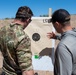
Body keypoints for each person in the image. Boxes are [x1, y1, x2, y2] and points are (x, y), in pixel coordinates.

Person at [0, 6, 34, 75]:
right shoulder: (23, 38)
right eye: (30, 21)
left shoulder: (2, 30)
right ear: (28, 19)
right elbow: (27, 71)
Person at [47, 9, 76, 75]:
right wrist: (56, 37)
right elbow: (69, 38)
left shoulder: (63, 47)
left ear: (57, 24)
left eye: (53, 24)